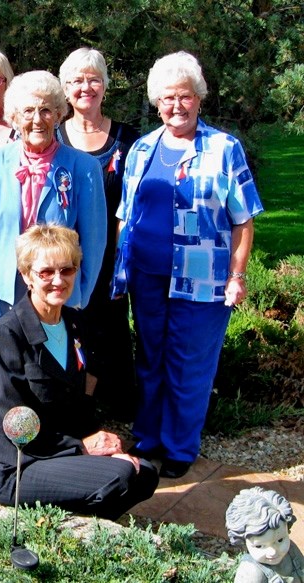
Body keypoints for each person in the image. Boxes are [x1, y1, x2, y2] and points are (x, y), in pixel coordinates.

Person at [112, 51, 264, 479]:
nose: (175, 106)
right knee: (151, 357)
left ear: (199, 98)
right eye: (166, 98)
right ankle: (148, 438)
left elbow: (243, 219)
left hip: (202, 278)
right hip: (146, 274)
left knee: (189, 362)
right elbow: (127, 213)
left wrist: (237, 276)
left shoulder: (223, 148)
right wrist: (121, 268)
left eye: (184, 97)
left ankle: (179, 446)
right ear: (155, 102)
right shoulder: (143, 147)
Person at [0, 224, 158, 520]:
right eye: (46, 272)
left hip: (60, 452)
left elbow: (82, 397)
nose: (58, 281)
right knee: (123, 474)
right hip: (18, 462)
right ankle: (73, 522)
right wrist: (81, 447)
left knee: (146, 472)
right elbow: (14, 423)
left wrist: (99, 440)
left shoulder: (76, 323)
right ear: (26, 276)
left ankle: (81, 510)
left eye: (67, 270)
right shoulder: (7, 333)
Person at [0, 70, 106, 327]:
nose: (37, 119)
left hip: (59, 297)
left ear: (57, 114)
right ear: (14, 118)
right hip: (6, 299)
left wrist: (77, 298)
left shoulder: (84, 167)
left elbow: (94, 244)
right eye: (27, 111)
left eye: (45, 110)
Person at [55, 47, 140, 416]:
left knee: (112, 330)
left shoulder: (128, 139)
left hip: (113, 257)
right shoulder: (53, 137)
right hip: (66, 258)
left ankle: (117, 407)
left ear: (105, 85)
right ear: (65, 88)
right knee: (71, 330)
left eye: (93, 79)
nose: (85, 87)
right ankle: (75, 407)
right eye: (76, 80)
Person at [225, 487, 304, 583]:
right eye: (259, 546)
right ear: (243, 541)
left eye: (280, 540)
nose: (273, 552)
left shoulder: (291, 551)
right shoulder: (252, 572)